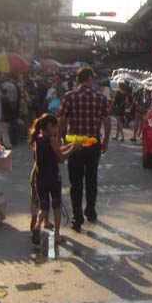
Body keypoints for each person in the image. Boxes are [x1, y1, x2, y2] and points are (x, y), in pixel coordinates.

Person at [57, 67, 111, 232]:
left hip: (75, 145)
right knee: (91, 178)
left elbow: (63, 120)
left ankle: (77, 216)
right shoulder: (100, 98)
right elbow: (107, 121)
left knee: (76, 182)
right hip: (93, 144)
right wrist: (106, 141)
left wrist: (59, 139)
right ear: (89, 78)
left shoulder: (69, 97)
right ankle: (91, 210)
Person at [28, 113, 78, 246]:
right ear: (50, 126)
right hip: (53, 179)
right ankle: (56, 236)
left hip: (40, 179)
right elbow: (61, 157)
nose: (57, 129)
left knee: (44, 207)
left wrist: (70, 145)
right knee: (56, 207)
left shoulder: (37, 141)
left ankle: (37, 227)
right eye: (55, 126)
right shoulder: (51, 140)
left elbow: (56, 151)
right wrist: (73, 148)